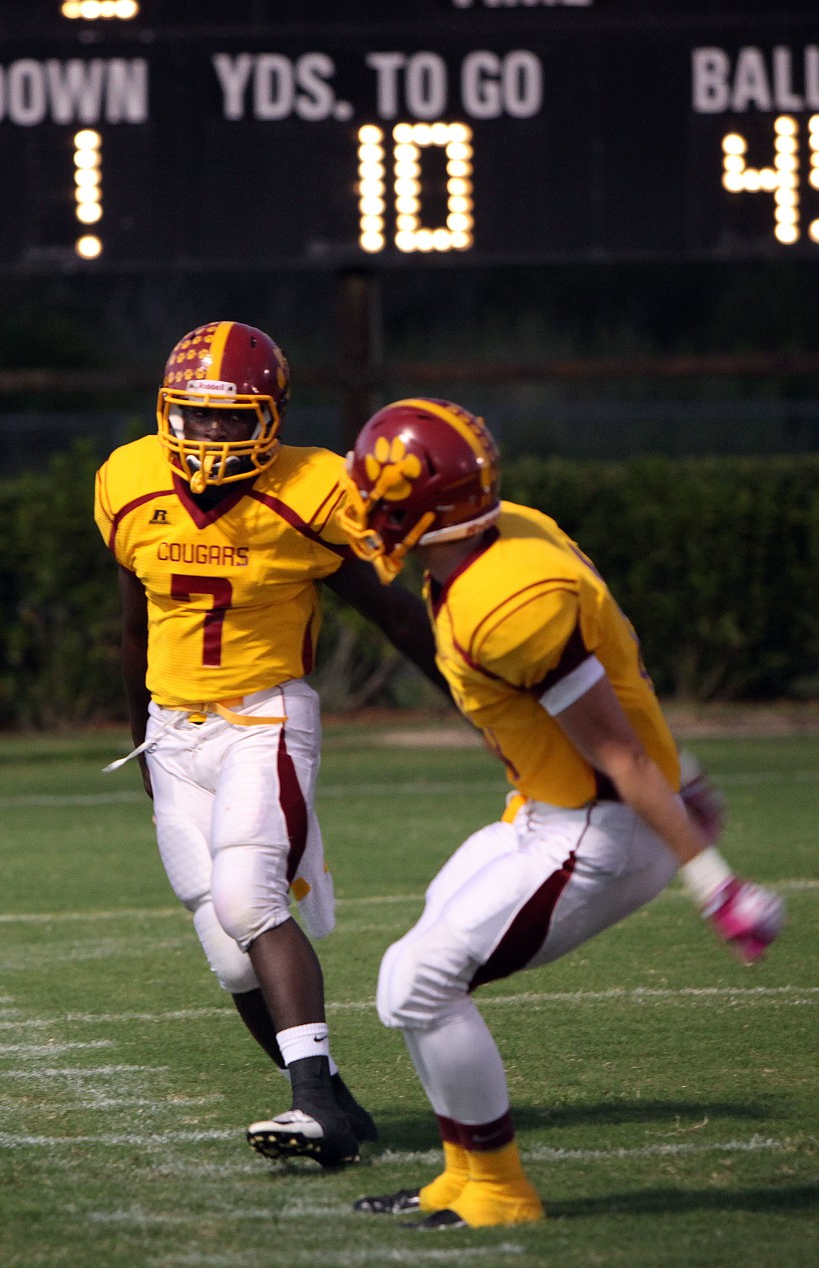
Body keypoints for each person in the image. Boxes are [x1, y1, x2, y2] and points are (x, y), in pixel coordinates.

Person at [335, 396, 785, 1229]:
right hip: (549, 810)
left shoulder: (510, 604)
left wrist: (717, 887)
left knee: (419, 982)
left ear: (433, 511)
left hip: (602, 829)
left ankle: (501, 1192)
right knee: (416, 968)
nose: (365, 511)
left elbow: (618, 752)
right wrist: (686, 772)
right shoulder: (501, 538)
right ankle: (462, 1179)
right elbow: (622, 679)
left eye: (382, 498)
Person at [94, 325, 450, 1169]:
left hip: (265, 717)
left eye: (232, 418)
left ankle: (312, 1104)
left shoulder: (315, 489)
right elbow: (133, 620)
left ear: (273, 418)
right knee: (224, 945)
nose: (211, 437)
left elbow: (394, 614)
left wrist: (484, 700)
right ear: (166, 411)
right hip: (173, 731)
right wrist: (135, 734)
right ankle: (338, 1104)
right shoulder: (127, 478)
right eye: (195, 416)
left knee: (250, 901)